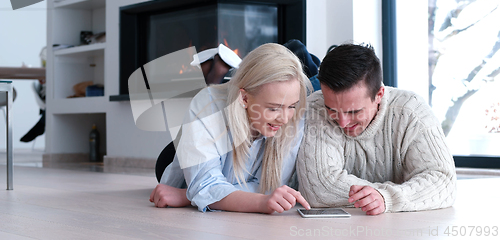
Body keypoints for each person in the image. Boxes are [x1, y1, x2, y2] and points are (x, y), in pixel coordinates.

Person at [150, 43, 312, 214]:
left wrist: (190, 197)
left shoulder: (295, 118)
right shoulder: (207, 105)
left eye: (291, 106)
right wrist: (259, 202)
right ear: (244, 98)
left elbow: (273, 186)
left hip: (220, 168)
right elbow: (204, 184)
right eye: (273, 108)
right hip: (186, 163)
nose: (285, 118)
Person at [296, 43, 457, 215]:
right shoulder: (316, 107)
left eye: (354, 111)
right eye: (332, 110)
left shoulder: (412, 112)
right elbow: (319, 188)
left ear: (379, 94)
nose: (342, 122)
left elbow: (443, 181)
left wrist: (386, 197)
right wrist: (407, 193)